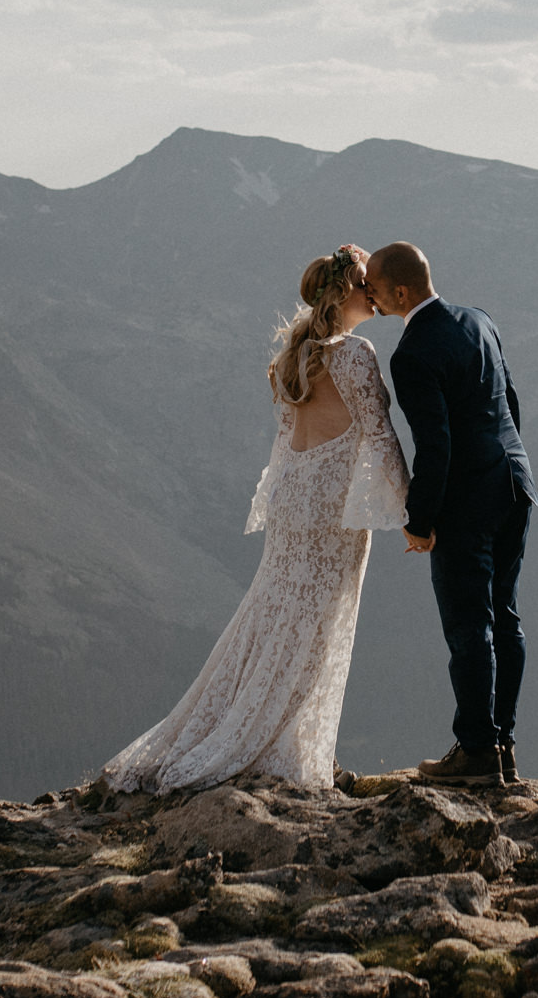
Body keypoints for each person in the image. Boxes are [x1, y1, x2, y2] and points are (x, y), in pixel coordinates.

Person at [102, 246, 409, 792]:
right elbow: (381, 436)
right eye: (367, 283)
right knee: (316, 627)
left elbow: (289, 439)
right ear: (346, 291)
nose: (376, 292)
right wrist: (410, 511)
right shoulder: (357, 355)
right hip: (329, 510)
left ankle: (252, 733)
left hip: (293, 499)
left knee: (270, 615)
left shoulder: (298, 355)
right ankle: (277, 749)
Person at [364, 241, 537, 788]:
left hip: (467, 501)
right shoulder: (478, 319)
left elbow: (433, 447)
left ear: (399, 291)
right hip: (515, 482)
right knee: (505, 617)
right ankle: (503, 743)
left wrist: (418, 520)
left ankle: (477, 751)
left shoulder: (412, 353)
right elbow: (509, 402)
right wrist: (502, 462)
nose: (366, 292)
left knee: (470, 627)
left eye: (372, 285)